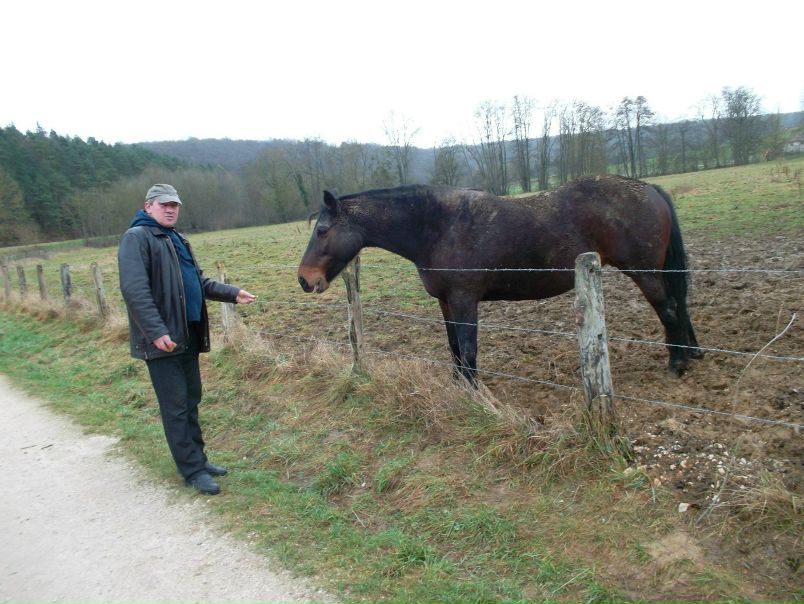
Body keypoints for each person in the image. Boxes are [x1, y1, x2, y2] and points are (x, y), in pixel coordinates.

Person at [118, 183, 256, 495]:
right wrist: (156, 332)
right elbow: (135, 290)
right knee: (176, 406)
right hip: (163, 341)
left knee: (191, 399)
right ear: (148, 206)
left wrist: (232, 293)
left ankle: (199, 459)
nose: (170, 209)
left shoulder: (177, 239)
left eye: (175, 205)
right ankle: (191, 470)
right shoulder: (137, 238)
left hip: (187, 335)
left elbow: (198, 281)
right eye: (164, 204)